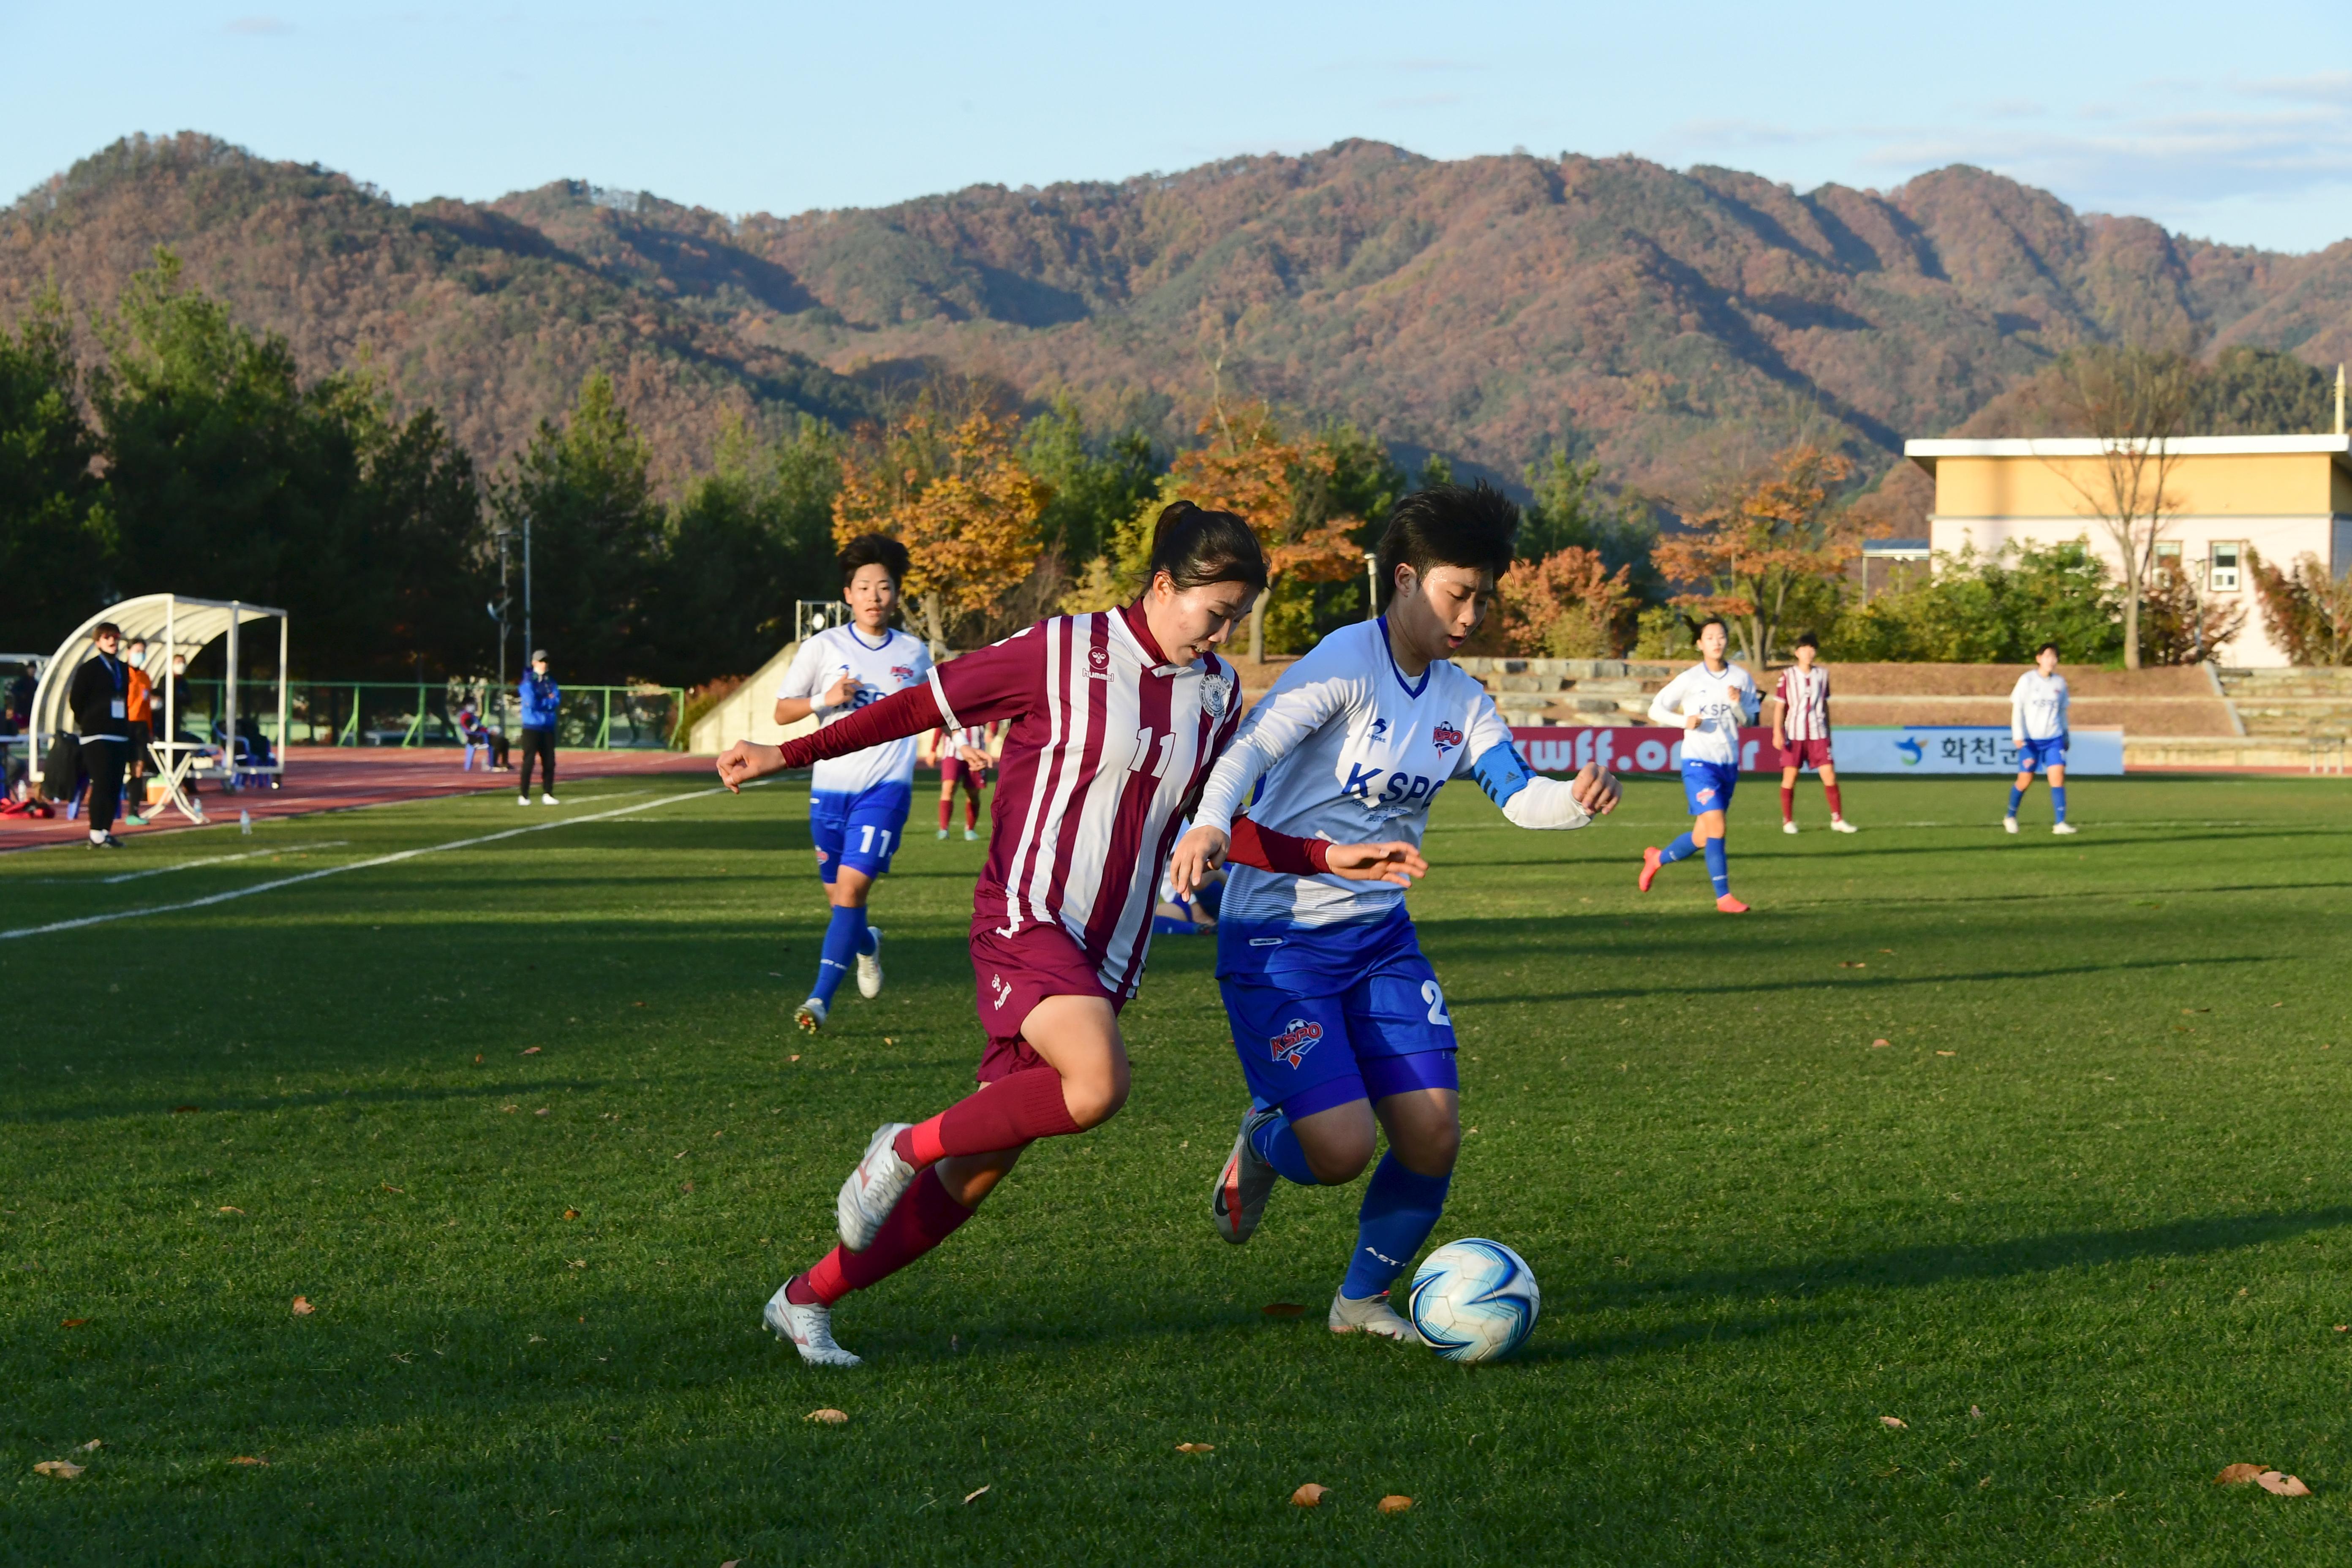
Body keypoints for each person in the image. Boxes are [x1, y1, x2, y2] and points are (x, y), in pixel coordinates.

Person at [713, 501, 1428, 1367]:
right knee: (1096, 1086)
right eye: (1216, 612)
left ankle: (806, 1297)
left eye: (1238, 617)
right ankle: (897, 1145)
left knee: (977, 1168)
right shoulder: (1061, 651)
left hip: (1110, 954)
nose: (1225, 632)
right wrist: (782, 752)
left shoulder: (1218, 692)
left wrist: (1325, 853)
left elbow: (1204, 825)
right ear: (1164, 585)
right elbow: (915, 707)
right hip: (1028, 916)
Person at [1169, 482, 1621, 1339]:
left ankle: (1359, 1302)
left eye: (1485, 596)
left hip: (1380, 938)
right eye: (1461, 592)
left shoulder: (1463, 700)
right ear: (1407, 578)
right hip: (1279, 937)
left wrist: (1577, 798)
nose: (1474, 613)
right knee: (1338, 1152)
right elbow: (1248, 748)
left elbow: (1519, 795)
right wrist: (1209, 822)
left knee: (1432, 1133)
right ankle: (1264, 1139)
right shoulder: (1344, 663)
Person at [771, 536, 936, 1032]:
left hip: (885, 790)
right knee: (844, 905)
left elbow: (939, 708)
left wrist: (961, 742)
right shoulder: (823, 647)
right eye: (864, 587)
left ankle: (819, 999)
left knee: (851, 891)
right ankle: (868, 945)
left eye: (883, 587)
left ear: (895, 594)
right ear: (848, 594)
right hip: (830, 793)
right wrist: (825, 699)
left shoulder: (914, 652)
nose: (874, 596)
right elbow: (782, 711)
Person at [1640, 616, 1759, 912]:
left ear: (1727, 640)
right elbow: (1656, 708)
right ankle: (1724, 898)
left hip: (1728, 764)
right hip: (1698, 763)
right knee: (1717, 825)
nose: (1716, 642)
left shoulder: (1742, 679)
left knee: (1702, 835)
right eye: (1710, 638)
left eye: (1721, 637)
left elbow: (1753, 721)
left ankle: (1657, 859)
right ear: (1700, 644)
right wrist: (1685, 721)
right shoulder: (1691, 679)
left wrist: (1737, 705)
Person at [1770, 632, 1855, 835]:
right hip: (1794, 734)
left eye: (1812, 649)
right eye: (1804, 649)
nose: (1808, 653)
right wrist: (1777, 732)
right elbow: (1780, 707)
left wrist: (1829, 731)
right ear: (1797, 653)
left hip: (1818, 733)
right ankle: (1788, 821)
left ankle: (1838, 819)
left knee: (1830, 776)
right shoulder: (1788, 676)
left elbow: (1824, 705)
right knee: (1790, 778)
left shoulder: (1822, 675)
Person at [68, 622, 132, 848]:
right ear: (98, 642)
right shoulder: (89, 669)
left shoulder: (123, 669)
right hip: (96, 735)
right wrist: (88, 720)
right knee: (102, 782)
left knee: (115, 784)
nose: (113, 641)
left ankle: (106, 830)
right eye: (107, 637)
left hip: (119, 734)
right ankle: (96, 832)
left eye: (116, 637)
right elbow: (76, 700)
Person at [2007, 642, 2074, 835]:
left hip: (2054, 738)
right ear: (2039, 659)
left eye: (2054, 657)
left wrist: (2066, 734)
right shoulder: (2027, 680)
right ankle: (2010, 816)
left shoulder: (2060, 683)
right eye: (2047, 656)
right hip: (2031, 740)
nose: (2051, 661)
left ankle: (2060, 823)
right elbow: (2017, 708)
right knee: (2025, 779)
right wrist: (2018, 735)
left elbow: (2062, 712)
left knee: (2058, 777)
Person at [923, 719, 994, 841]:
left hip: (977, 750)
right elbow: (942, 721)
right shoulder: (953, 701)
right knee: (949, 788)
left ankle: (970, 830)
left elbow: (995, 714)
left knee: (973, 793)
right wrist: (933, 750)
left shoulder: (983, 700)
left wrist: (993, 730)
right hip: (952, 751)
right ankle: (944, 829)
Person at [516, 651, 559, 806]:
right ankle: (524, 795)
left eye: (546, 661)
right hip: (531, 726)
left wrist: (547, 702)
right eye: (541, 661)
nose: (544, 664)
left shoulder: (550, 681)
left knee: (549, 761)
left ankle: (548, 792)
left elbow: (556, 700)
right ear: (534, 662)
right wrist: (547, 702)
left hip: (548, 726)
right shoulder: (528, 681)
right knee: (529, 761)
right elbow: (532, 702)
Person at [120, 639, 155, 828]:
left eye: (143, 651)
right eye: (137, 650)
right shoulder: (122, 674)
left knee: (139, 768)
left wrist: (150, 730)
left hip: (140, 727)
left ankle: (133, 812)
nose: (140, 654)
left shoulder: (145, 677)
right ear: (128, 652)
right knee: (116, 768)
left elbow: (148, 706)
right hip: (124, 725)